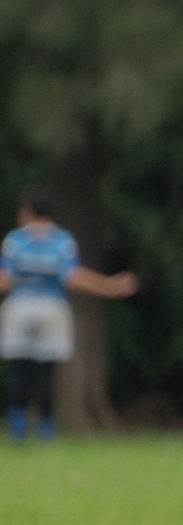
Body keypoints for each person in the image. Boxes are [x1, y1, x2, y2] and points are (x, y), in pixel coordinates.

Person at [1, 188, 138, 442]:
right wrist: (107, 286)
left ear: (28, 212)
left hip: (19, 307)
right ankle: (45, 430)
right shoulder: (62, 241)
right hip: (53, 308)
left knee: (19, 371)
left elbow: (5, 279)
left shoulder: (14, 241)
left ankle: (17, 429)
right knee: (46, 372)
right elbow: (72, 275)